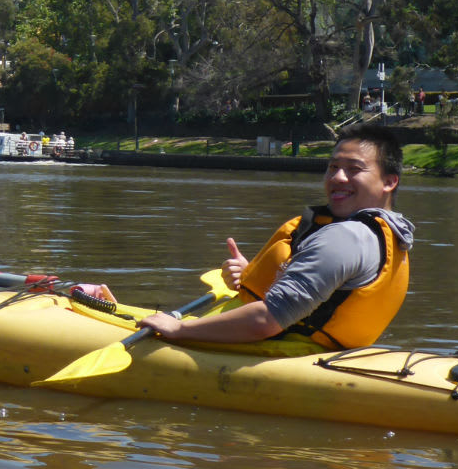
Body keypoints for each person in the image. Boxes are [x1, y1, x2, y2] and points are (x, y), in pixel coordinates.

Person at [137, 122, 414, 349]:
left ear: (389, 181)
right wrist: (254, 275)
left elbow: (266, 320)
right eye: (332, 167)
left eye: (354, 169)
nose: (338, 177)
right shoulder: (389, 232)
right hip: (322, 352)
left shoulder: (345, 238)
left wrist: (180, 329)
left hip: (281, 353)